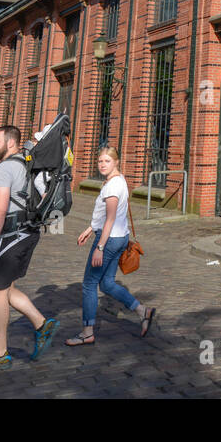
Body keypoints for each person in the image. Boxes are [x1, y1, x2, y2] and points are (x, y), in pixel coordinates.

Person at [0, 125, 59, 370]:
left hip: (11, 235)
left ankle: (0, 354)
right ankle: (42, 324)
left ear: (10, 143)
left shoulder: (6, 167)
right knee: (6, 288)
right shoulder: (27, 163)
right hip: (28, 233)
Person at [65, 146, 155, 346]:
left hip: (109, 239)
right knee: (106, 284)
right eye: (100, 161)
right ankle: (142, 311)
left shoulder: (113, 186)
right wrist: (90, 229)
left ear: (116, 162)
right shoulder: (118, 180)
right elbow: (105, 216)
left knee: (89, 284)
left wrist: (99, 247)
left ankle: (87, 332)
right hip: (119, 238)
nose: (102, 165)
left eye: (107, 161)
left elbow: (111, 218)